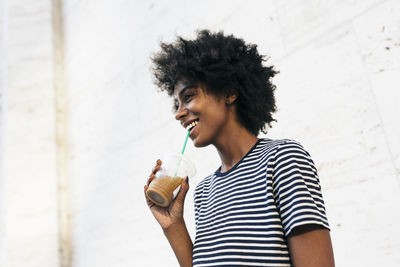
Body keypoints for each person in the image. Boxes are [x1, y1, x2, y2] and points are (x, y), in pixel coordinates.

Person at [144, 30, 335, 267]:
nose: (179, 113)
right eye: (177, 103)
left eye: (189, 96)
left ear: (229, 92)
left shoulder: (282, 159)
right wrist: (173, 226)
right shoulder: (204, 192)